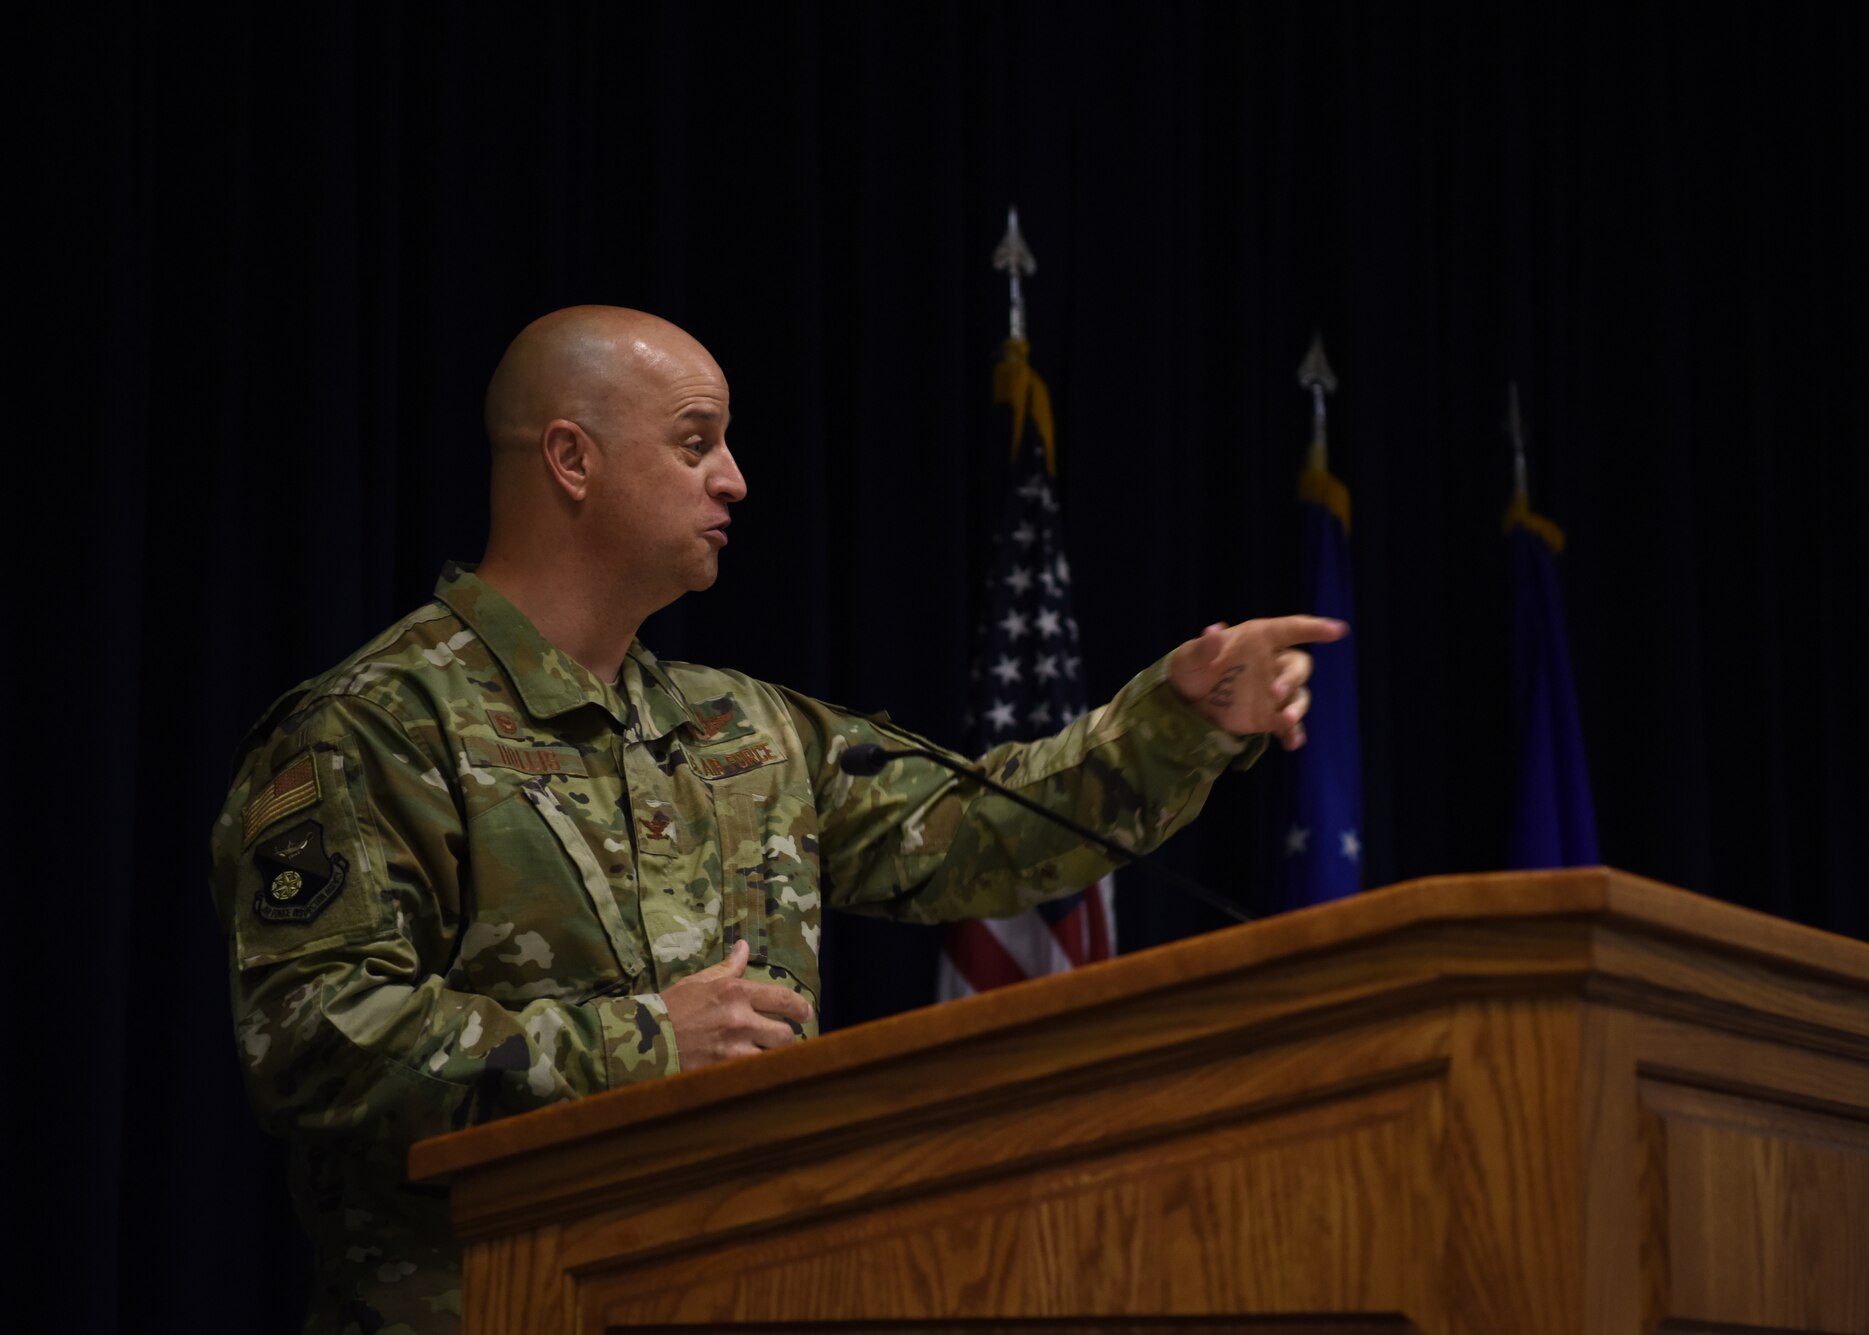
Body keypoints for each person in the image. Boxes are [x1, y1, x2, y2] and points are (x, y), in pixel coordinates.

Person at [209, 305, 1346, 1335]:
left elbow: (985, 833)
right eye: (697, 441)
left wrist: (1185, 716)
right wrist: (648, 1043)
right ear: (571, 459)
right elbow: (313, 1044)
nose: (736, 481)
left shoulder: (742, 729)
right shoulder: (378, 729)